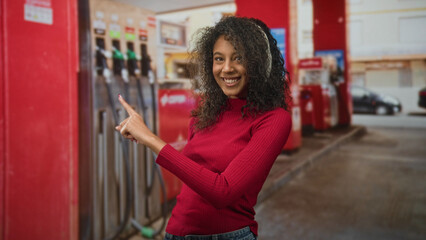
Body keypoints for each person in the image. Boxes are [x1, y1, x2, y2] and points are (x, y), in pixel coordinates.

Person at [116, 16, 292, 240]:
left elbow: (222, 191)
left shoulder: (274, 119)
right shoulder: (208, 110)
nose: (226, 68)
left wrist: (151, 139)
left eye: (238, 58)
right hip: (176, 232)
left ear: (258, 63)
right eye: (219, 59)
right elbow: (195, 178)